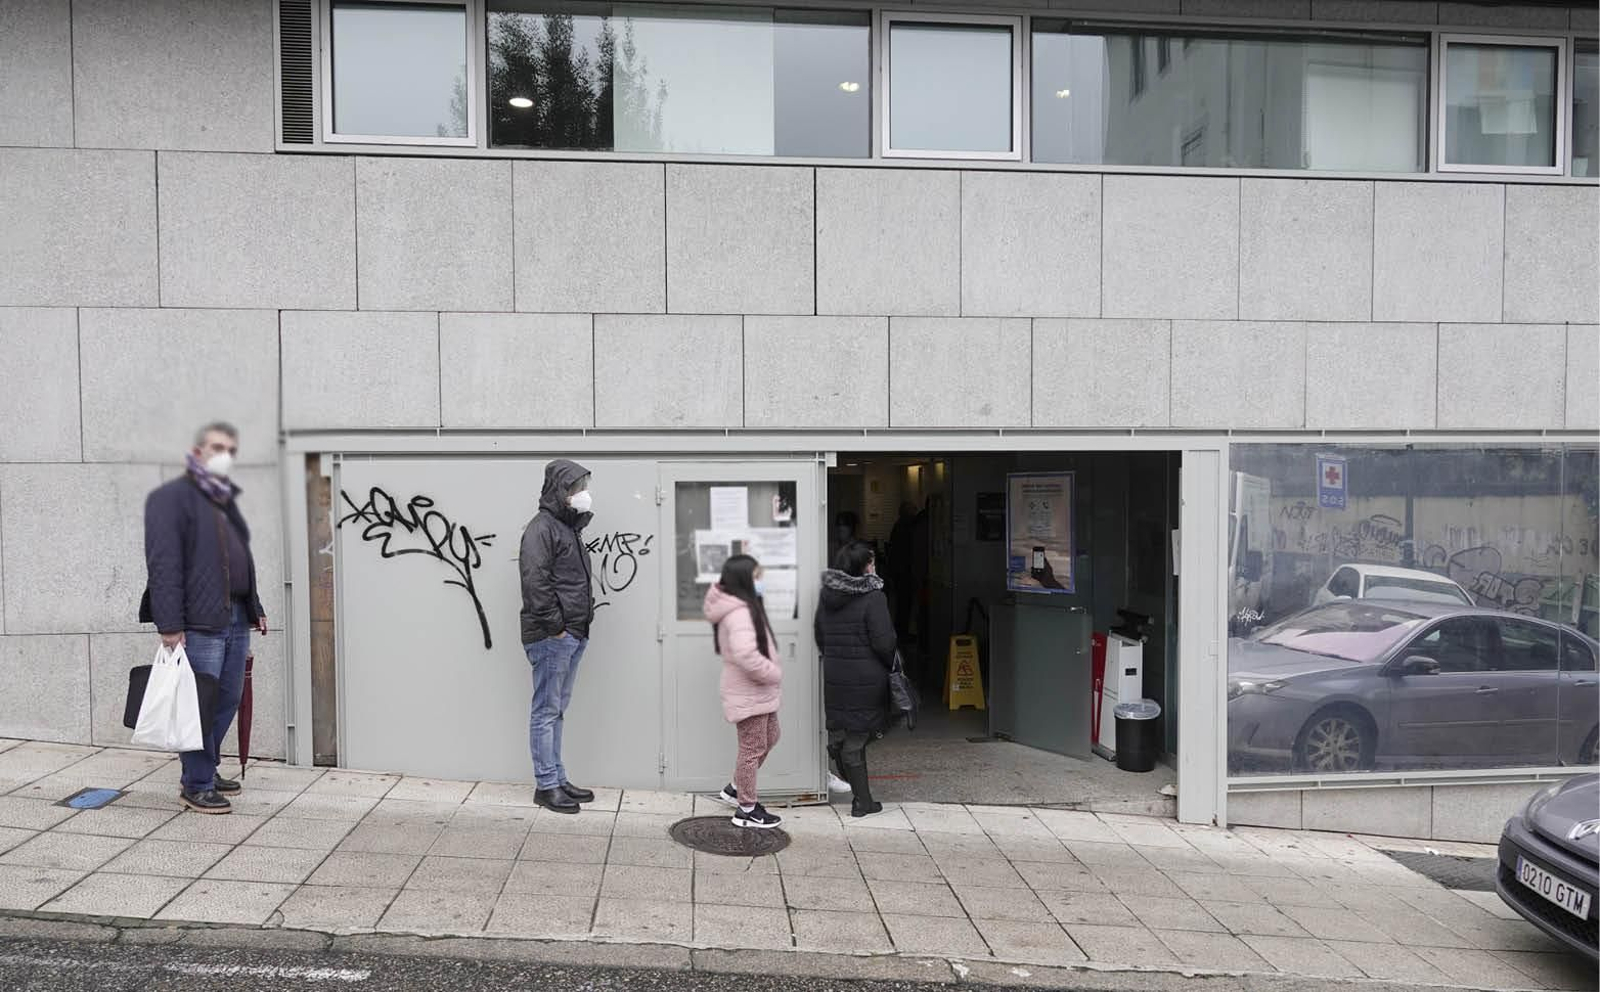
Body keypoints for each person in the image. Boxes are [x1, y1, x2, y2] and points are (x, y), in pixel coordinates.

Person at [140, 422, 268, 814]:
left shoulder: (223, 500)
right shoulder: (170, 499)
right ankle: (195, 783)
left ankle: (206, 769)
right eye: (216, 447)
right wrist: (170, 626)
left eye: (230, 449)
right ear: (196, 453)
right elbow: (163, 567)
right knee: (199, 705)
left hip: (234, 615)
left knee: (226, 699)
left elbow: (238, 561)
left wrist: (255, 606)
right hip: (197, 620)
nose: (223, 455)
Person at [519, 459, 597, 814]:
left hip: (572, 634)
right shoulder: (542, 528)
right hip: (553, 636)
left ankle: (558, 777)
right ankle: (546, 785)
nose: (582, 494)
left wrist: (576, 627)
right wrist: (557, 626)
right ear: (560, 490)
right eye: (576, 487)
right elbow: (535, 582)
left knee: (557, 710)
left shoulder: (567, 528)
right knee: (546, 711)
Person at [815, 541, 896, 817]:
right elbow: (885, 643)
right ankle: (862, 801)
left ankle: (858, 790)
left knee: (845, 731)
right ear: (863, 568)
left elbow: (819, 636)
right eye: (871, 563)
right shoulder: (874, 597)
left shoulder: (827, 596)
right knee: (860, 735)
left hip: (836, 673)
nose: (874, 567)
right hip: (866, 677)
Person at [703, 555, 784, 829]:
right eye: (757, 576)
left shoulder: (745, 606)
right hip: (749, 689)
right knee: (751, 749)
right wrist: (773, 672)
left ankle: (736, 787)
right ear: (745, 579)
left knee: (771, 737)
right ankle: (746, 809)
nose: (761, 581)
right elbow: (746, 655)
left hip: (756, 690)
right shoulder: (739, 613)